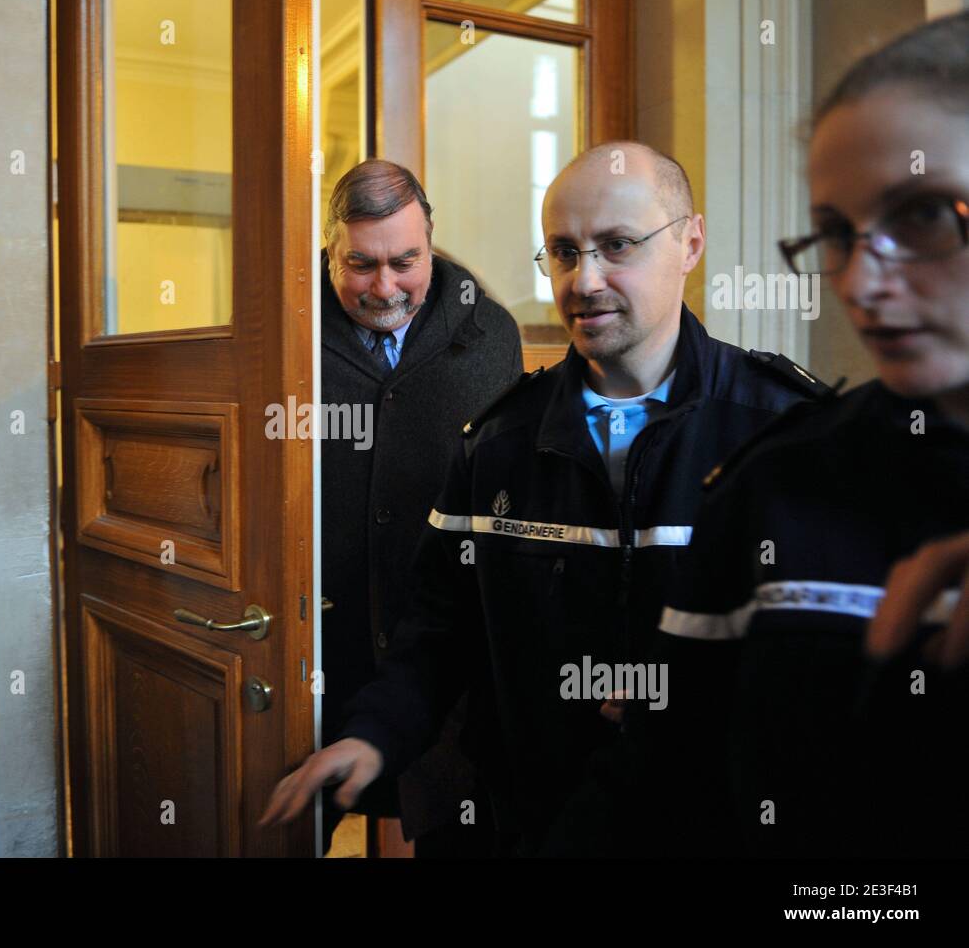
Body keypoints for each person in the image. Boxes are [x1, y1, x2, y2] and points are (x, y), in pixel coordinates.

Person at [264, 141, 828, 856]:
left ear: (691, 243)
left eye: (617, 245)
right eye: (563, 251)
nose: (584, 279)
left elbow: (844, 659)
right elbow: (439, 629)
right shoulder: (496, 442)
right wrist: (377, 734)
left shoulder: (783, 434)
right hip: (530, 824)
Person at [546, 9, 969, 858]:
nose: (861, 282)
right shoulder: (780, 481)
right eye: (837, 235)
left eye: (922, 216)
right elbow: (662, 771)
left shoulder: (765, 410)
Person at [317, 159, 523, 856]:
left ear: (430, 240)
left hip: (442, 643)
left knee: (447, 822)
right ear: (328, 249)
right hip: (311, 642)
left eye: (405, 260)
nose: (385, 286)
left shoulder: (490, 336)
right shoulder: (278, 332)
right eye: (361, 264)